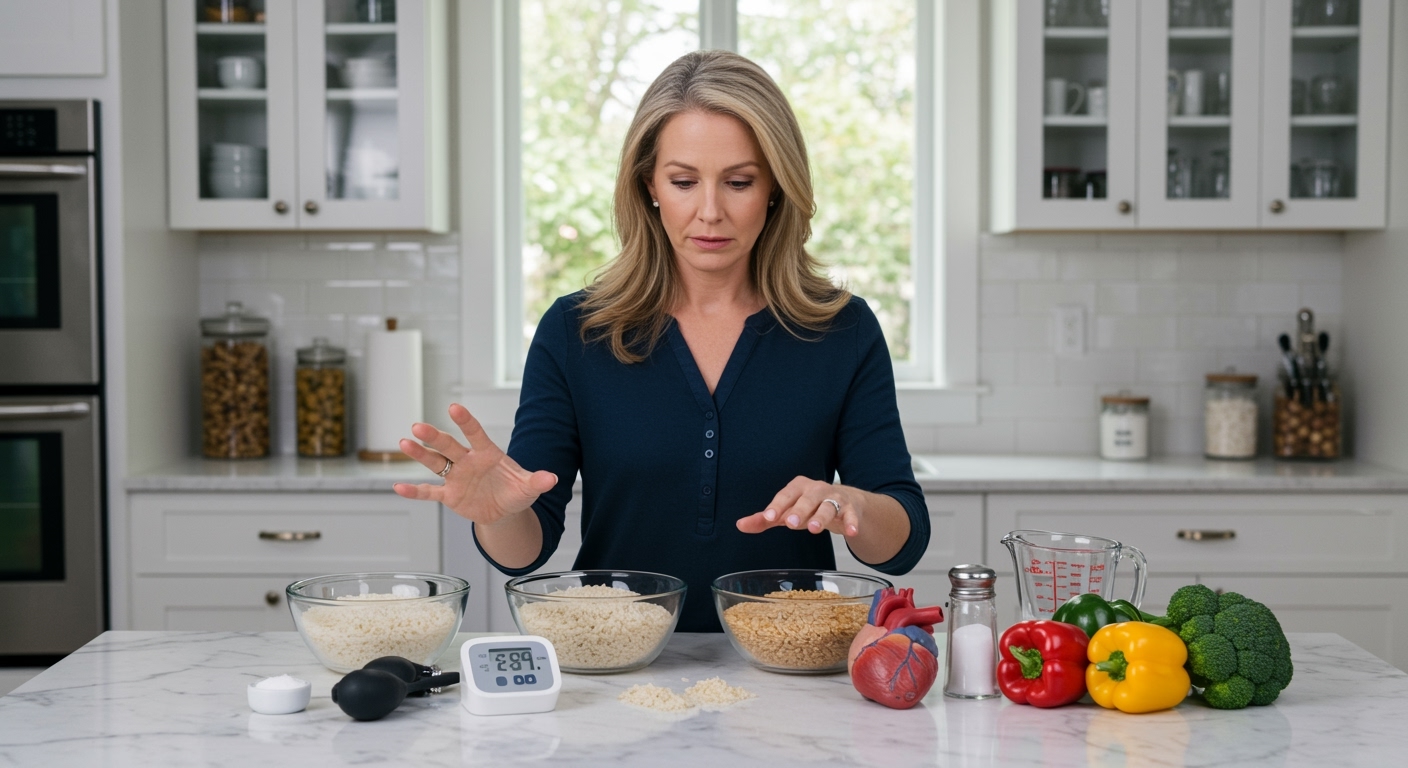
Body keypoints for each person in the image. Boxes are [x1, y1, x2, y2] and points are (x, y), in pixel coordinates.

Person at [393, 50, 929, 632]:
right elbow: (527, 548)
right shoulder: (576, 331)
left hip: (788, 664)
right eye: (683, 181)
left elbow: (899, 541)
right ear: (648, 184)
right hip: (612, 661)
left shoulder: (841, 329)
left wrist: (852, 507)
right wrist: (496, 514)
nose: (710, 212)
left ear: (777, 186)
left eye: (739, 182)